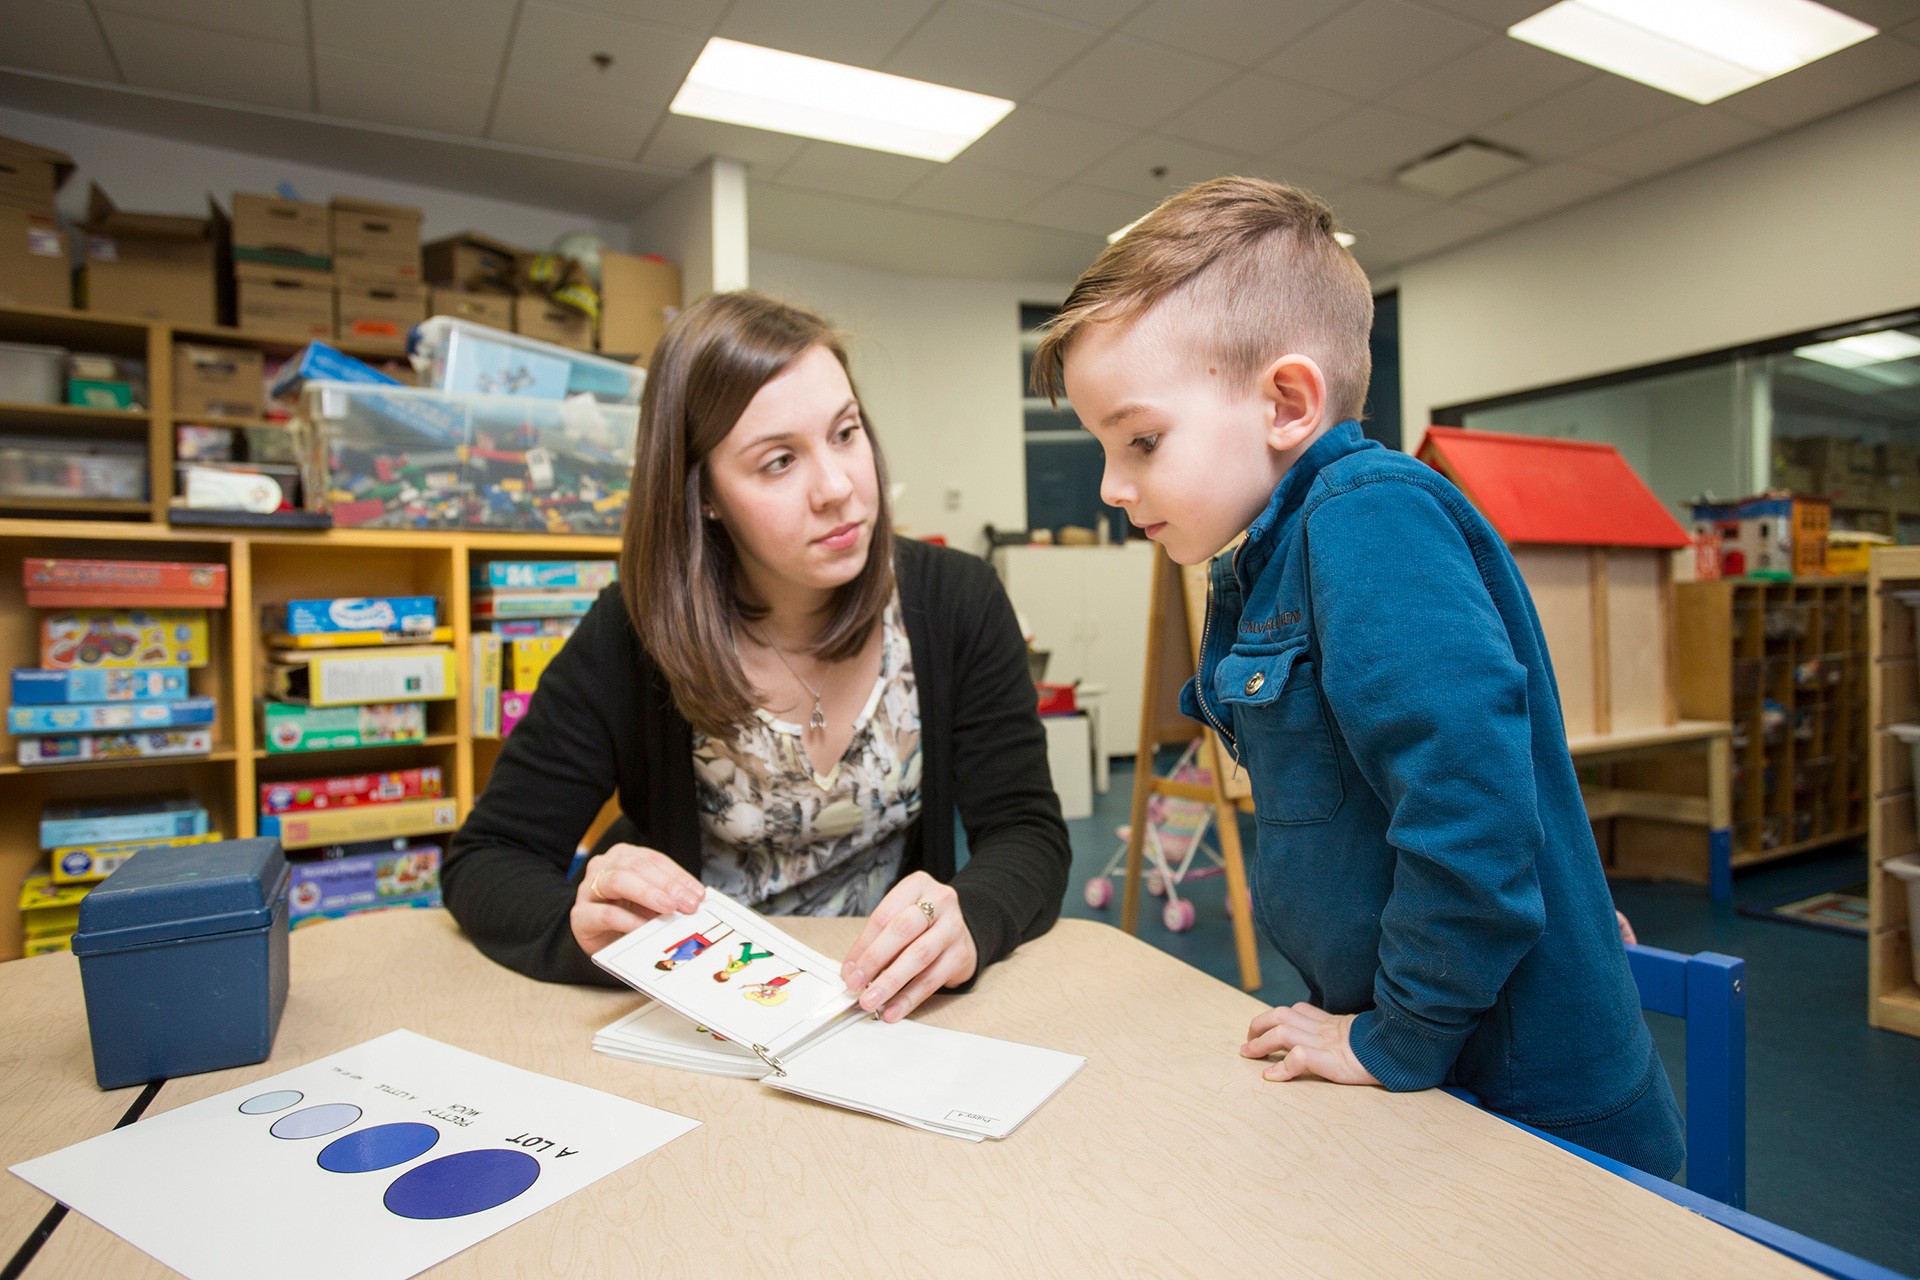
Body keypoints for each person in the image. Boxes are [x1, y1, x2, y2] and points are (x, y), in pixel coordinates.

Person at [1033, 176, 1685, 1178]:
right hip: (1435, 1048)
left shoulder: (1365, 518)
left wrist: (1395, 1035)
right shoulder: (1268, 548)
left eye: (1142, 441)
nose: (1115, 487)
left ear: (1286, 401)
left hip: (1520, 1097)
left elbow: (1471, 810)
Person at [446, 290, 1070, 1023]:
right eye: (778, 462)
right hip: (695, 1019)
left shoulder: (957, 601)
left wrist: (974, 913)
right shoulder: (632, 631)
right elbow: (486, 858)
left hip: (881, 1017)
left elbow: (1027, 832)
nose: (838, 488)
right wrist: (580, 935)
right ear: (703, 493)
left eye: (845, 433)